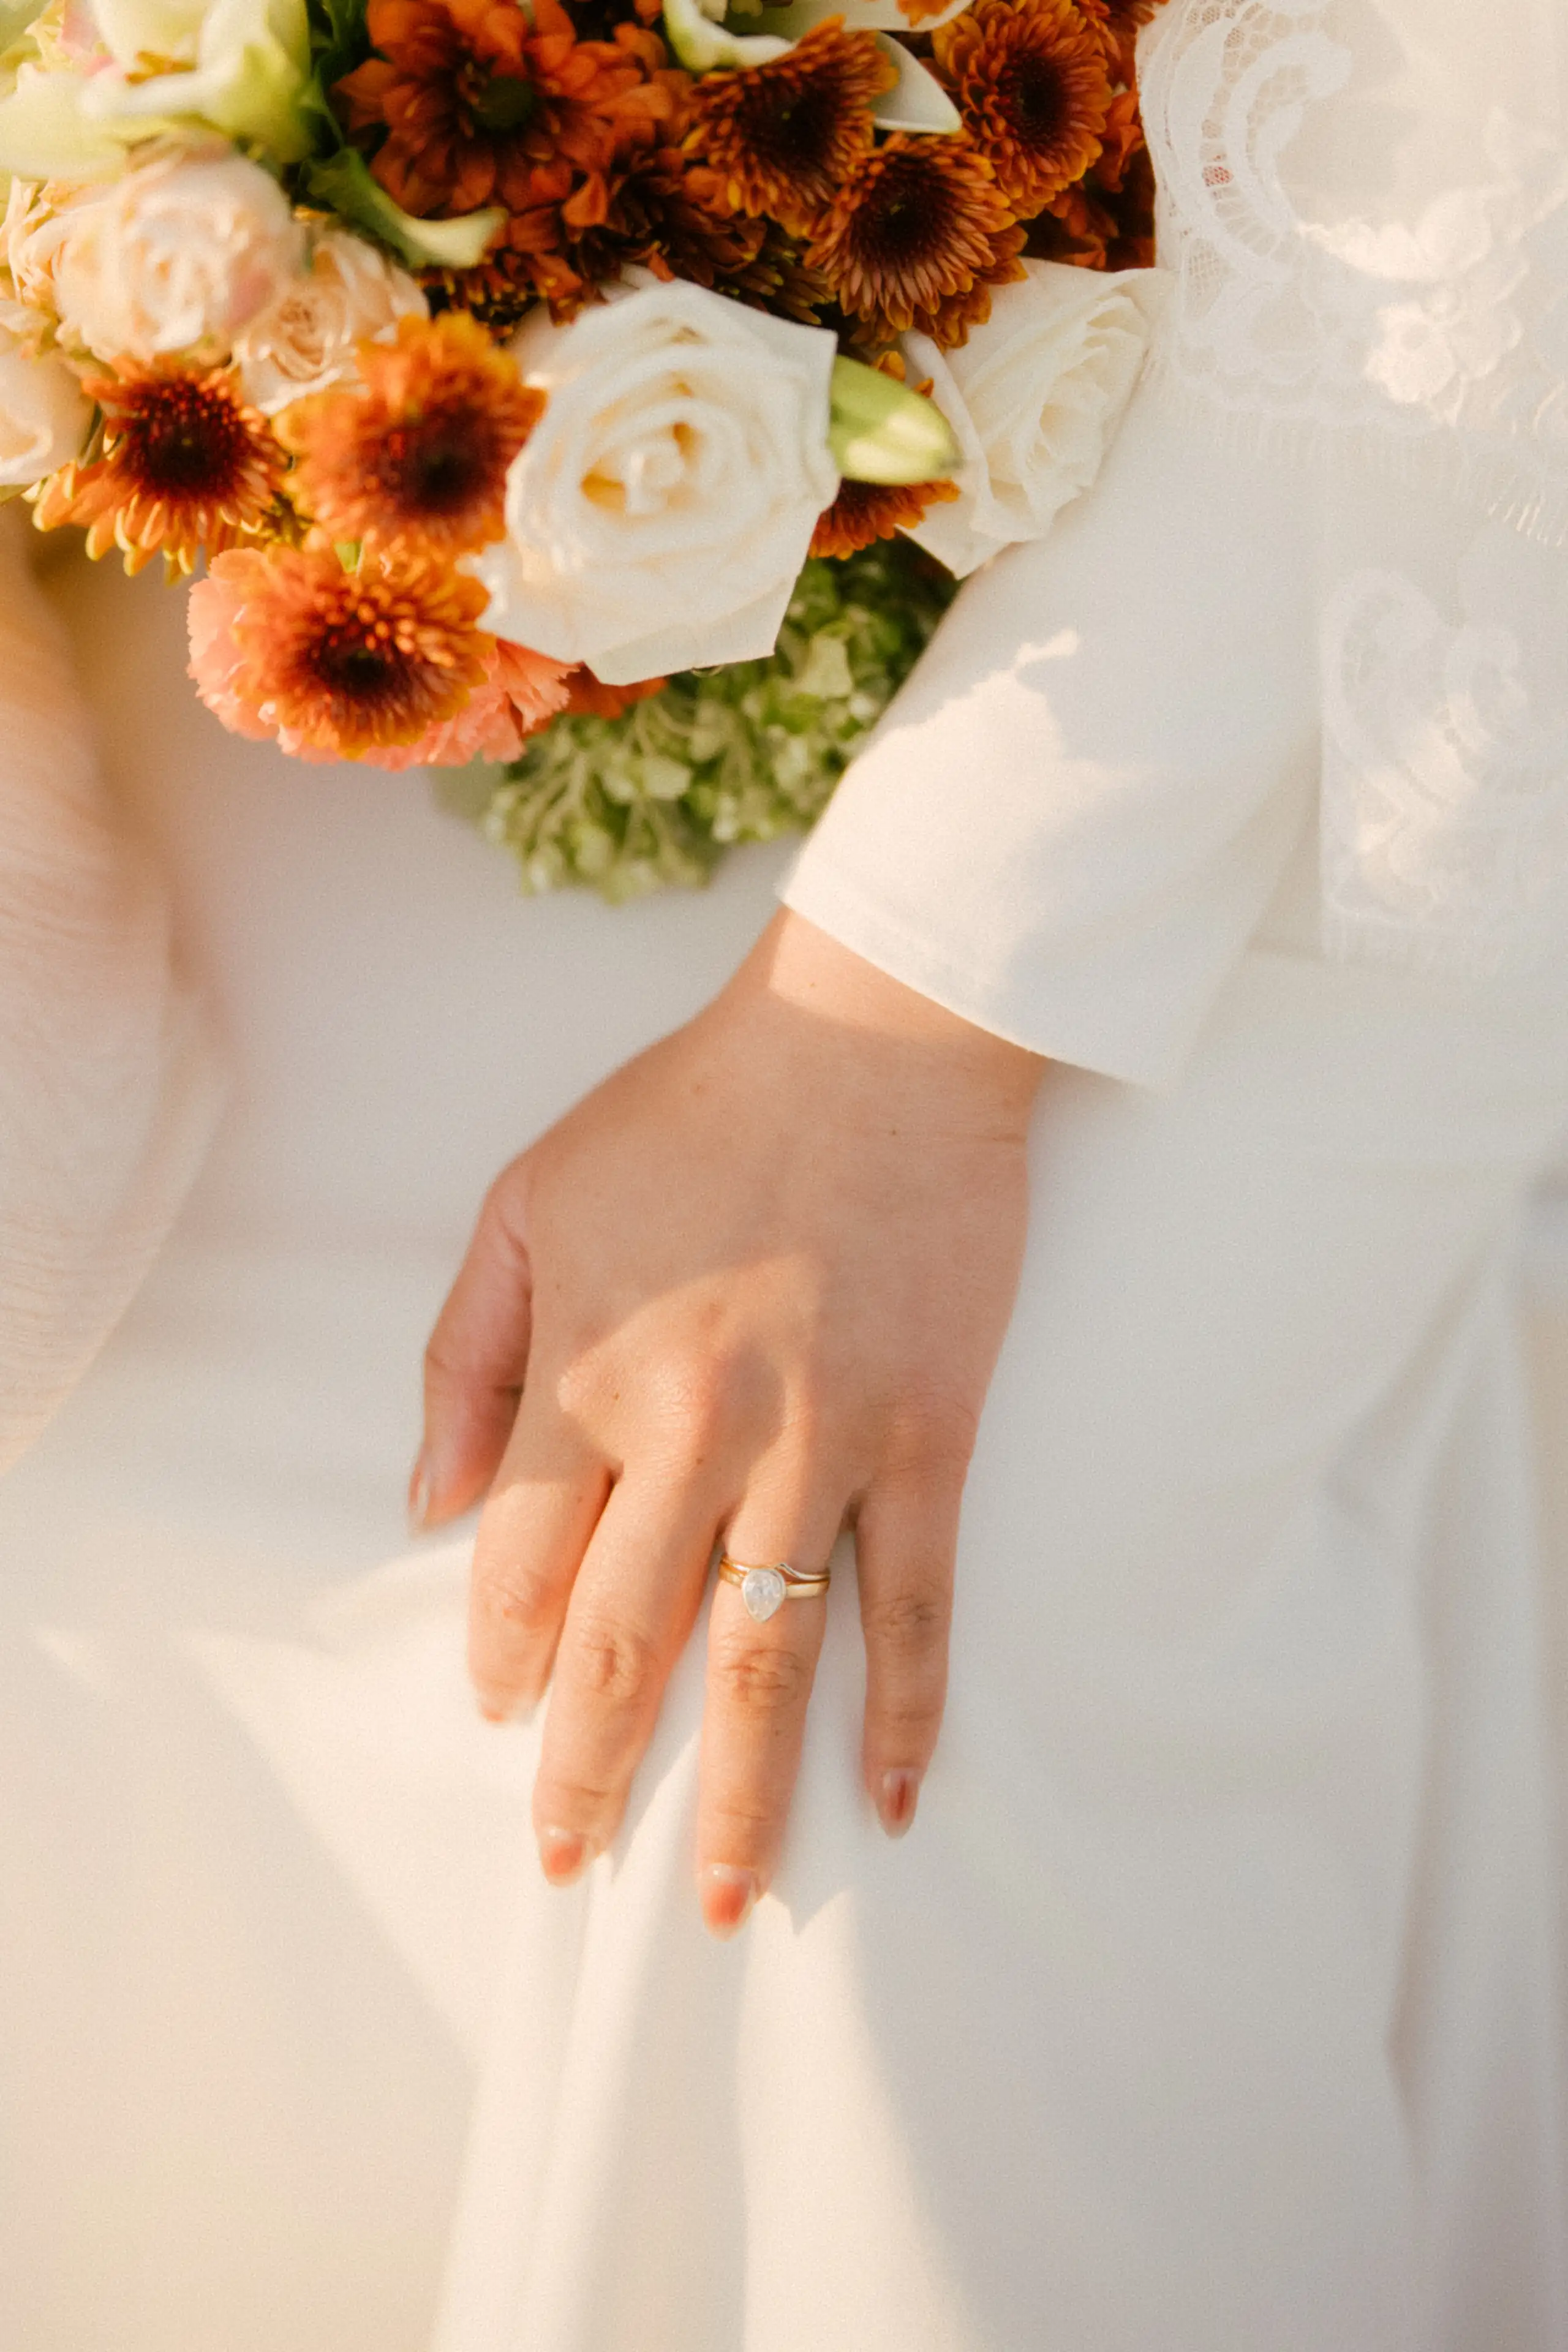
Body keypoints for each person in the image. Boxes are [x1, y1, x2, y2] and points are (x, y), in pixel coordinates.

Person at [2, 0, 1564, 2346]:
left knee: (844, 1703)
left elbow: (1461, 120)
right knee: (108, 1533)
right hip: (308, 522)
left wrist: (906, 1015)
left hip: (1302, 487)